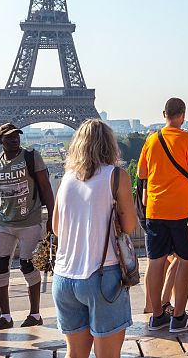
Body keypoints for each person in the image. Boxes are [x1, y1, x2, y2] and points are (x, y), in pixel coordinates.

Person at [52, 119, 136, 358]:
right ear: (110, 145)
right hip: (101, 275)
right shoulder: (116, 176)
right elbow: (129, 226)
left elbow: (56, 228)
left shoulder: (67, 178)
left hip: (64, 278)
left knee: (75, 354)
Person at [0, 123, 55, 330]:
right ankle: (5, 317)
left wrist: (52, 217)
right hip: (4, 222)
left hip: (30, 221)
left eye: (16, 136)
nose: (14, 139)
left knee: (28, 265)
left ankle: (35, 314)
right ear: (0, 141)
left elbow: (46, 187)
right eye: (9, 137)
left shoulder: (31, 157)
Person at [139, 98, 188, 333]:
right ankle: (179, 317)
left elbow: (142, 174)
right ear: (183, 115)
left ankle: (157, 315)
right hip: (183, 209)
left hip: (155, 209)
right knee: (186, 260)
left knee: (155, 261)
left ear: (163, 113)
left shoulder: (151, 140)